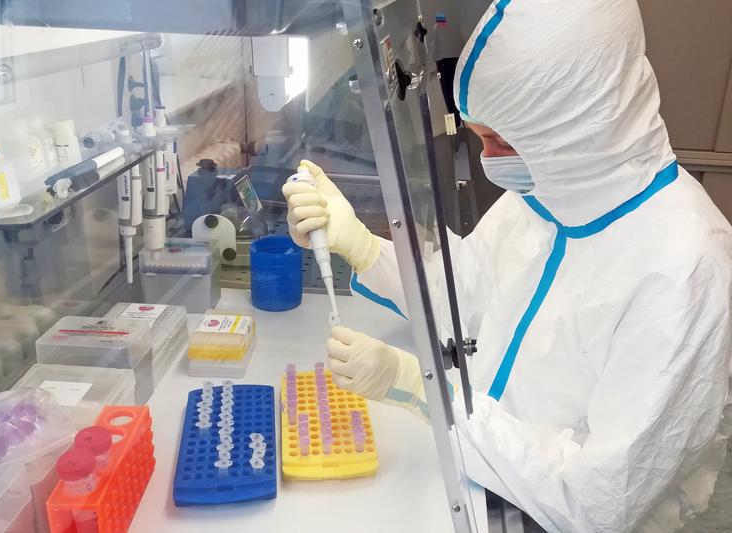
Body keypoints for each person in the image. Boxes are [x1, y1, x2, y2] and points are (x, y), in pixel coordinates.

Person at [281, 1, 732, 532]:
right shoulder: (547, 193)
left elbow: (600, 499)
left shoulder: (686, 270)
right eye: (481, 137)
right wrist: (360, 244)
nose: (490, 159)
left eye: (501, 141)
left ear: (576, 131)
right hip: (482, 477)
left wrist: (425, 390)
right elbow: (465, 300)